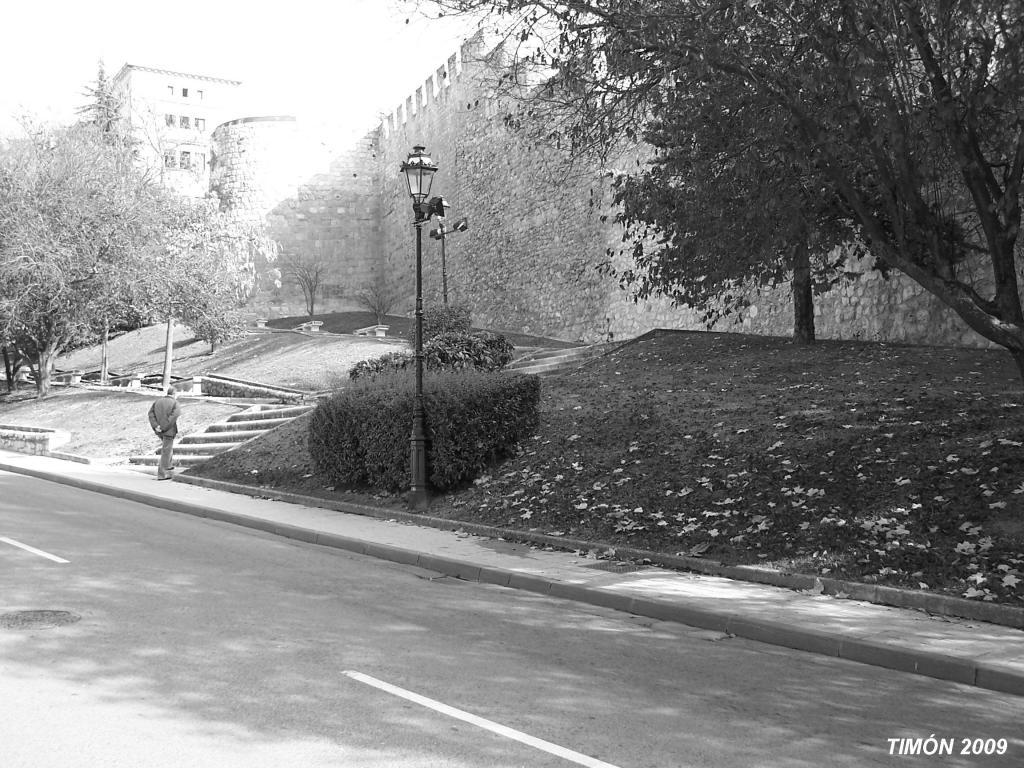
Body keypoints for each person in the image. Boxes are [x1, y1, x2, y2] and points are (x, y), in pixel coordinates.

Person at [148, 386, 181, 480]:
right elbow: (174, 416)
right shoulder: (175, 403)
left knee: (168, 449)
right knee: (166, 451)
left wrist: (156, 426)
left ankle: (169, 469)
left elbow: (151, 414)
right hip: (168, 431)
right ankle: (162, 474)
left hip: (159, 431)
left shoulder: (157, 402)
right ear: (174, 394)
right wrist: (163, 427)